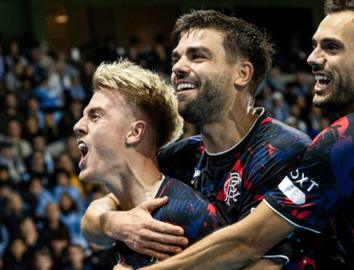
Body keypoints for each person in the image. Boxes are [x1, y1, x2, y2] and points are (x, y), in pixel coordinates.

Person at [133, 1, 354, 269]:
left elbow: (247, 241)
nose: (313, 58)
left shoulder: (346, 139)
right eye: (315, 46)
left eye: (332, 48)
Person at [80, 10, 332, 269]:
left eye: (197, 56)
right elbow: (94, 218)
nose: (177, 67)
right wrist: (113, 223)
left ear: (242, 73)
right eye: (176, 58)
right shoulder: (181, 155)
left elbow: (260, 262)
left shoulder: (284, 152)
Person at [73, 59, 226, 268]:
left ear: (135, 132)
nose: (78, 126)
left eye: (95, 116)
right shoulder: (124, 210)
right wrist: (112, 223)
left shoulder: (187, 213)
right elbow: (90, 225)